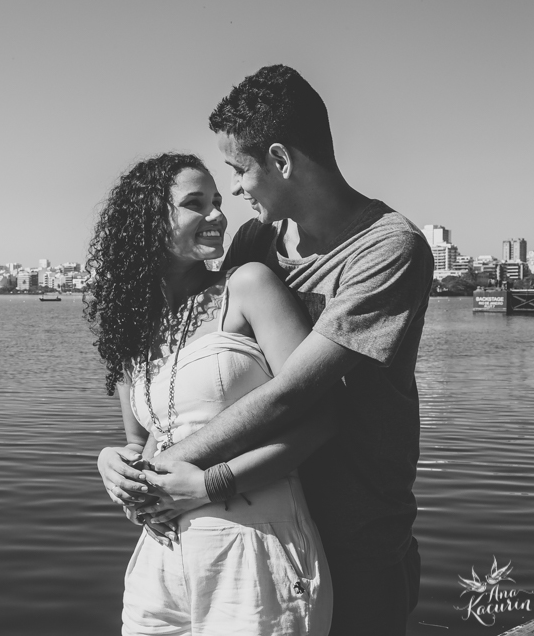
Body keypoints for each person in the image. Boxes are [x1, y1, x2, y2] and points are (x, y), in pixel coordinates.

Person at [98, 65, 433, 636]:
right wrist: (123, 456)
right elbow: (199, 368)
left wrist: (179, 473)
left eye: (237, 169)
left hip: (357, 529)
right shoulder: (258, 242)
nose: (232, 191)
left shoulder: (388, 248)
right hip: (260, 519)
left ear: (280, 160)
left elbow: (293, 392)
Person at [86, 153, 335, 635]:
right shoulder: (131, 328)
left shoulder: (248, 287)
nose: (218, 214)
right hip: (159, 563)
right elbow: (144, 443)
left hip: (256, 553)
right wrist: (110, 463)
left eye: (218, 201)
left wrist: (211, 483)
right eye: (195, 203)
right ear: (148, 221)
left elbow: (321, 418)